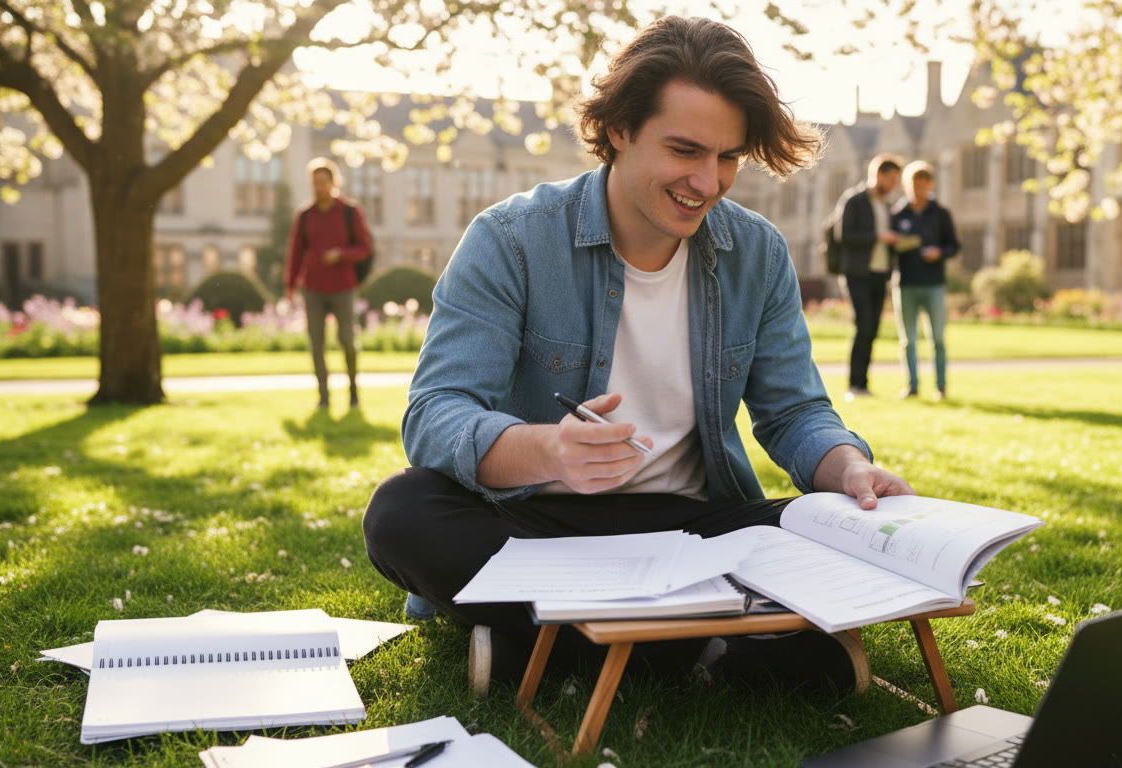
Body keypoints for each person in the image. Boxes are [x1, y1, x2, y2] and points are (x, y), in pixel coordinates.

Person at [361, 16, 916, 699]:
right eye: (684, 150)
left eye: (728, 158)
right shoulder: (511, 239)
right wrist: (550, 451)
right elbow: (436, 414)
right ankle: (709, 649)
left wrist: (848, 468)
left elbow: (794, 410)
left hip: (692, 522)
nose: (707, 183)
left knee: (825, 525)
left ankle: (546, 645)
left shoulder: (759, 253)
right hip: (543, 524)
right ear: (619, 129)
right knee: (401, 510)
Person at [284, 157, 372, 408]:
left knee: (346, 339)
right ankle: (323, 397)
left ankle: (353, 393)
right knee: (317, 343)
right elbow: (295, 253)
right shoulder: (304, 215)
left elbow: (365, 247)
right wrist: (290, 287)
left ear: (334, 182)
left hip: (343, 286)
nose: (319, 187)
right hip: (313, 288)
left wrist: (341, 254)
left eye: (324, 182)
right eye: (315, 182)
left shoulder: (349, 212)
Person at [837, 153, 904, 400]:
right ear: (879, 175)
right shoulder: (854, 201)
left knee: (873, 329)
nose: (895, 185)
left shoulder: (887, 206)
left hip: (880, 273)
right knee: (862, 326)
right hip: (857, 273)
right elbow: (844, 236)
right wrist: (878, 236)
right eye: (892, 179)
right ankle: (855, 385)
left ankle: (863, 384)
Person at [890, 160, 958, 401]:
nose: (917, 189)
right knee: (908, 340)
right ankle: (912, 386)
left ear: (931, 184)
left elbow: (954, 246)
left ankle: (941, 387)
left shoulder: (941, 214)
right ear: (906, 186)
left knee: (937, 338)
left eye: (922, 184)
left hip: (933, 284)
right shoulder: (897, 214)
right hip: (905, 283)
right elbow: (889, 250)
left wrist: (939, 252)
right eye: (913, 185)